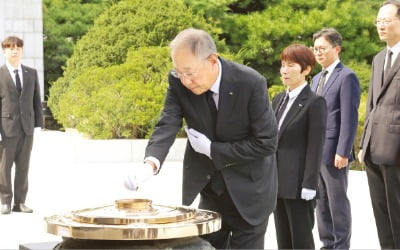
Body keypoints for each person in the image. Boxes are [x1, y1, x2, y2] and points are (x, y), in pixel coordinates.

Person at [124, 28, 278, 249]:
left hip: (251, 191)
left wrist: (213, 150)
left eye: (190, 72)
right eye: (179, 73)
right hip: (212, 189)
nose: (185, 81)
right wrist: (150, 164)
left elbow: (267, 142)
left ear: (212, 60)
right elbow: (168, 121)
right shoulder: (178, 82)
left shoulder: (250, 83)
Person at [272, 44, 327, 249]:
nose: (284, 70)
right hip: (276, 182)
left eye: (291, 65)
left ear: (306, 70)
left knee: (301, 240)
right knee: (283, 240)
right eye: (283, 65)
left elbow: (316, 146)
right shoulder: (279, 99)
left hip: (298, 185)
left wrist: (310, 184)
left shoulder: (315, 102)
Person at [311, 28, 361, 249]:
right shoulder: (315, 79)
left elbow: (350, 117)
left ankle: (341, 245)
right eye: (315, 49)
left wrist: (343, 151)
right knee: (321, 202)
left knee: (337, 202)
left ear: (337, 49)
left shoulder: (346, 76)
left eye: (322, 48)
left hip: (334, 152)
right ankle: (327, 243)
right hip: (315, 152)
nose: (318, 53)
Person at [358, 1, 400, 248]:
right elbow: (372, 105)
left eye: (386, 20)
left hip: (397, 152)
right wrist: (364, 144)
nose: (381, 26)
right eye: (378, 21)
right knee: (382, 218)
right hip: (374, 151)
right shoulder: (379, 58)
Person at [0, 36, 43, 214]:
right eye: (10, 48)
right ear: (4, 51)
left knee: (23, 166)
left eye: (18, 47)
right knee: (4, 166)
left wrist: (38, 125)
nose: (14, 50)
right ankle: (5, 201)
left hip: (27, 128)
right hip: (6, 128)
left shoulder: (31, 73)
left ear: (22, 50)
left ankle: (20, 202)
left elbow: (36, 100)